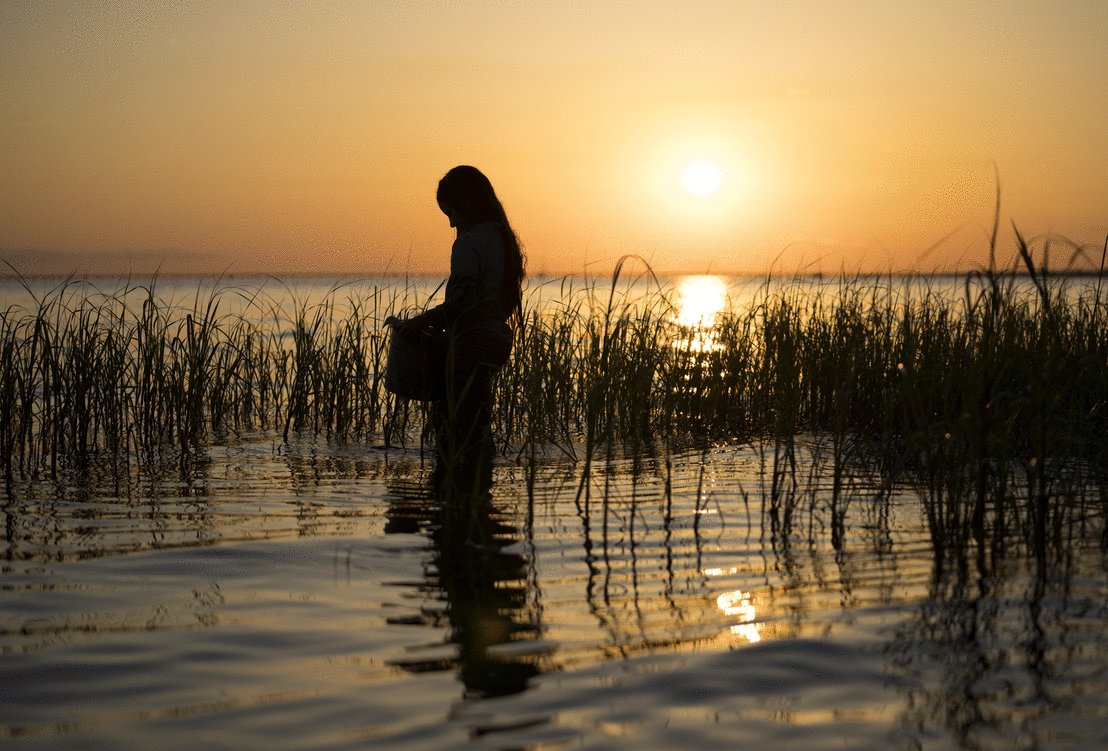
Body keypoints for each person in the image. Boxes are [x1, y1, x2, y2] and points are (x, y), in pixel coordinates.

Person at [396, 166, 525, 480]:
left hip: (471, 344)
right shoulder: (503, 238)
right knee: (475, 421)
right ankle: (479, 494)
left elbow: (463, 301)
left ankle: (459, 500)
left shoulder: (467, 243)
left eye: (450, 213)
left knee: (456, 427)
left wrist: (422, 322)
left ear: (466, 205)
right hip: (497, 339)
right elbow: (498, 301)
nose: (452, 223)